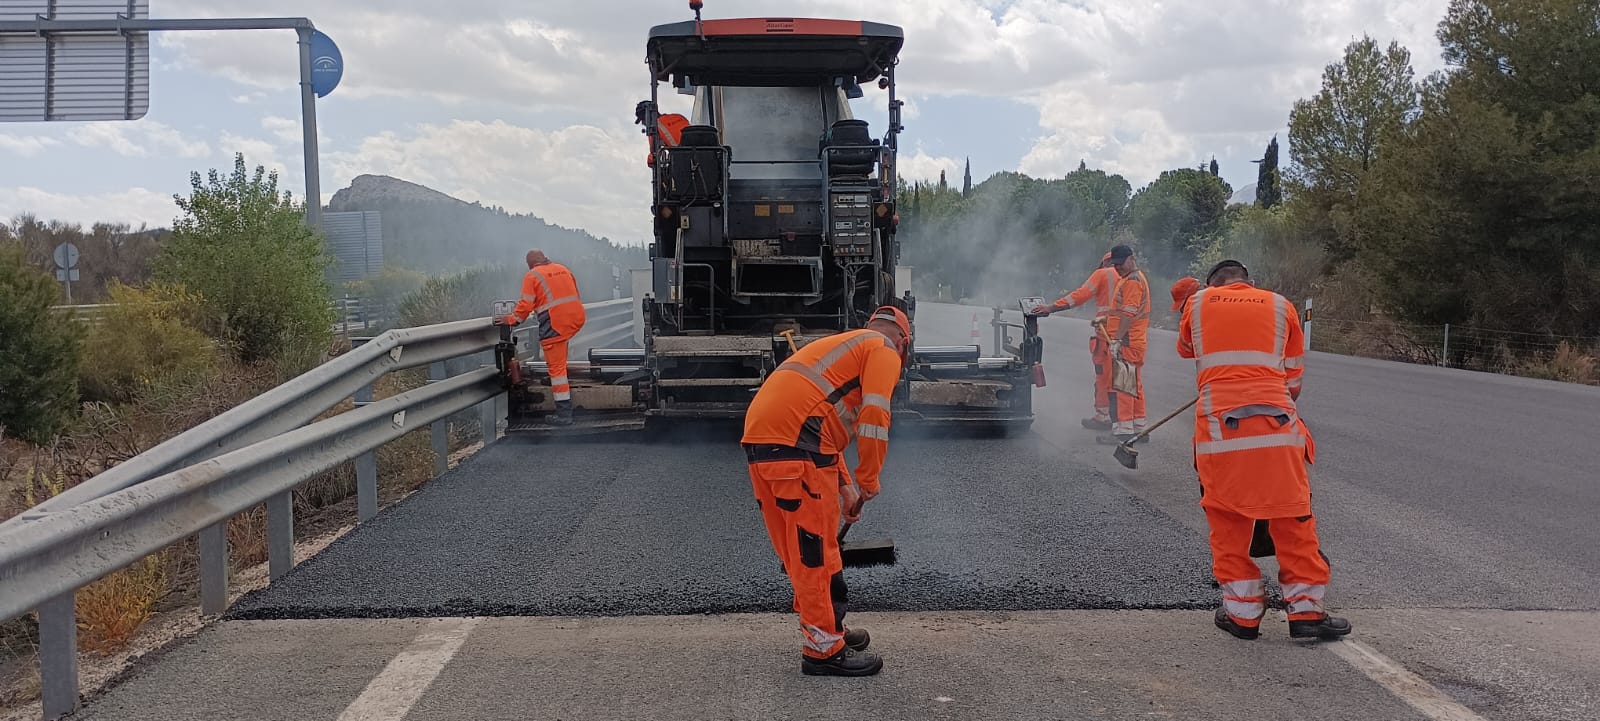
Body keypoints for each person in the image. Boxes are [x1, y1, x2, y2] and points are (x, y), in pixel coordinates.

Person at [1177, 259, 1350, 641]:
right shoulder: (1280, 305)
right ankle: (1306, 615)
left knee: (1227, 520)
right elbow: (1294, 384)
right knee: (1292, 518)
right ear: (1250, 282)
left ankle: (1242, 615)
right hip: (1278, 428)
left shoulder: (1198, 303)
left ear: (1212, 285)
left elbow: (1186, 349)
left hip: (1220, 430)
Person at [741, 306, 913, 677]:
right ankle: (823, 651)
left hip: (764, 442)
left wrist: (846, 487)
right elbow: (875, 416)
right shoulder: (884, 349)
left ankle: (829, 626)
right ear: (904, 342)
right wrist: (869, 477)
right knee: (814, 553)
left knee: (806, 549)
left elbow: (822, 428)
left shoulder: (846, 347)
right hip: (797, 448)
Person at [1030, 249, 1121, 430]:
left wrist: (1051, 307)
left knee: (1104, 378)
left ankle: (1105, 417)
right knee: (1126, 379)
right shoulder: (1133, 277)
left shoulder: (1103, 273)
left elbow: (1079, 296)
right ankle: (1130, 422)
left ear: (1105, 262)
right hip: (1127, 335)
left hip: (1107, 334)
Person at [499, 250, 587, 425]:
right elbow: (574, 294)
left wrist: (510, 320)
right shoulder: (562, 268)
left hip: (556, 324)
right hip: (576, 318)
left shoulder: (532, 275)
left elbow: (525, 306)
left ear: (530, 264)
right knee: (560, 355)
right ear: (545, 258)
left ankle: (564, 414)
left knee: (557, 370)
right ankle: (556, 373)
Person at [1093, 246, 1151, 444]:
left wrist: (1117, 339)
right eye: (1115, 264)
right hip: (1133, 341)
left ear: (1131, 259)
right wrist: (1105, 320)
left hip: (1127, 341)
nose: (1117, 267)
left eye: (1120, 263)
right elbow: (1121, 312)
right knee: (1134, 385)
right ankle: (1140, 429)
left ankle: (1124, 432)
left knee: (1123, 387)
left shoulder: (1133, 281)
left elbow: (1128, 314)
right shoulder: (1130, 279)